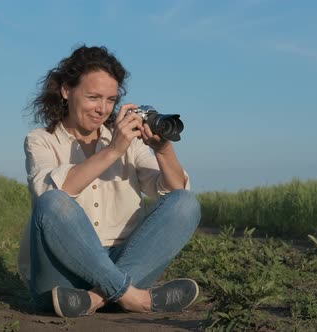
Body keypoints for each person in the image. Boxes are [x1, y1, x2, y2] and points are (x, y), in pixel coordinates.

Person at [18, 45, 201, 318]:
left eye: (110, 100)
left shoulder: (130, 141)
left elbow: (175, 193)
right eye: (93, 97)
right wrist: (113, 150)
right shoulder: (41, 140)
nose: (102, 109)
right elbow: (53, 193)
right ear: (66, 91)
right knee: (53, 202)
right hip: (61, 277)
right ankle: (135, 299)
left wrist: (163, 149)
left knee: (186, 202)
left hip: (124, 262)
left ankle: (94, 299)